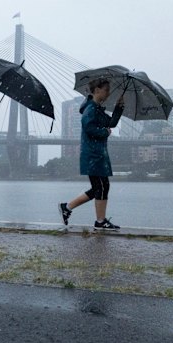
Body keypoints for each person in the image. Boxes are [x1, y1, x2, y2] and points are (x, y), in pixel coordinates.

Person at [59, 78, 124, 230]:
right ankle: (99, 221)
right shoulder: (91, 109)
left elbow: (111, 123)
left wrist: (119, 108)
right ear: (96, 91)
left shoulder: (97, 109)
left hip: (97, 154)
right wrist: (104, 132)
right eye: (106, 90)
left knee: (100, 187)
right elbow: (88, 127)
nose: (108, 93)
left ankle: (67, 207)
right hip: (93, 155)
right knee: (101, 187)